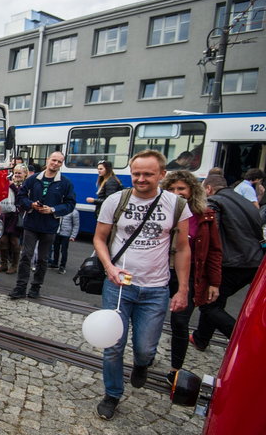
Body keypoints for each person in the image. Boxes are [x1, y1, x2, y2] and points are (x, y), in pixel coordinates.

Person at [93, 149, 191, 420]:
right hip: (119, 286)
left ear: (162, 174)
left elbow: (183, 249)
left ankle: (141, 363)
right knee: (113, 345)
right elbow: (99, 239)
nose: (141, 178)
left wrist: (182, 289)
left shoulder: (177, 205)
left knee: (146, 347)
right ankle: (112, 393)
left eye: (148, 174)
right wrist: (109, 268)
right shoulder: (117, 200)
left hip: (156, 288)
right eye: (136, 173)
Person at [160, 171, 221, 384]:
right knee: (152, 317)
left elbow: (214, 250)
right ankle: (145, 356)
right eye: (172, 189)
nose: (177, 193)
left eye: (181, 189)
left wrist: (214, 282)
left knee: (179, 321)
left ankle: (175, 369)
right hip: (160, 272)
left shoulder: (205, 215)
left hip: (190, 275)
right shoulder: (158, 211)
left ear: (191, 191)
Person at [191, 174, 265, 351]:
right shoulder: (246, 201)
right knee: (215, 300)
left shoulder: (215, 202)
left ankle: (243, 341)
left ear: (208, 188)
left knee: (209, 305)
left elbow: (210, 234)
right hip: (254, 261)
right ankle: (201, 338)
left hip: (232, 262)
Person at [9, 151, 76, 300]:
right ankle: (20, 287)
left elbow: (70, 204)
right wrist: (31, 204)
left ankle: (35, 287)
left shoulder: (65, 183)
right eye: (54, 160)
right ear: (47, 160)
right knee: (26, 256)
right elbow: (21, 196)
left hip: (50, 225)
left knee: (43, 259)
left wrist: (53, 209)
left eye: (59, 162)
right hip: (31, 223)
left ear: (61, 164)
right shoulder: (33, 179)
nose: (56, 164)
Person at [0, 164, 26, 274]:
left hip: (16, 216)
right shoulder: (9, 183)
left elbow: (21, 198)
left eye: (19, 173)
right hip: (6, 215)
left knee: (14, 241)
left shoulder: (26, 185)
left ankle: (14, 265)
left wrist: (12, 186)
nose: (17, 175)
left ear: (25, 174)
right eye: (15, 172)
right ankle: (3, 264)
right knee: (2, 240)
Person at [48, 207, 79, 274]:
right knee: (56, 249)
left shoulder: (74, 212)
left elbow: (76, 225)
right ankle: (55, 263)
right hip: (57, 232)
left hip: (66, 234)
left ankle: (62, 266)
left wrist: (73, 236)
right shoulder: (60, 210)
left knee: (64, 250)